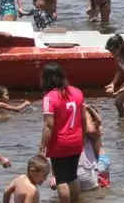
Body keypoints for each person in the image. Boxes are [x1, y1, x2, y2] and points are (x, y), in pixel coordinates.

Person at [38, 63, 85, 203]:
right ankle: (77, 200)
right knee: (72, 176)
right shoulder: (77, 92)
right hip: (76, 141)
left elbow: (48, 125)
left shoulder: (49, 98)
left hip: (60, 143)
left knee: (61, 179)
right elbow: (83, 118)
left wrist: (42, 148)